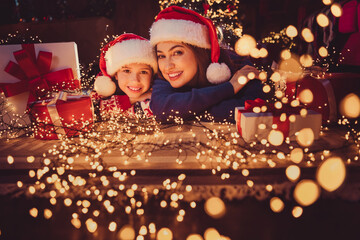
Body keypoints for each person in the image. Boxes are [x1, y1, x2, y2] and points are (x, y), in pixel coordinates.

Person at [149, 6, 265, 123]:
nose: (168, 66)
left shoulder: (235, 65)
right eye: (161, 56)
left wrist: (186, 110)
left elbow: (253, 109)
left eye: (177, 52)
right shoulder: (163, 76)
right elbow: (162, 109)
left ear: (199, 52)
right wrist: (230, 87)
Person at [93, 33, 157, 117]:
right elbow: (93, 109)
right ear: (116, 74)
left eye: (143, 72)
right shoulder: (103, 88)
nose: (135, 80)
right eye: (127, 71)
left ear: (152, 76)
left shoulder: (158, 94)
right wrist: (133, 99)